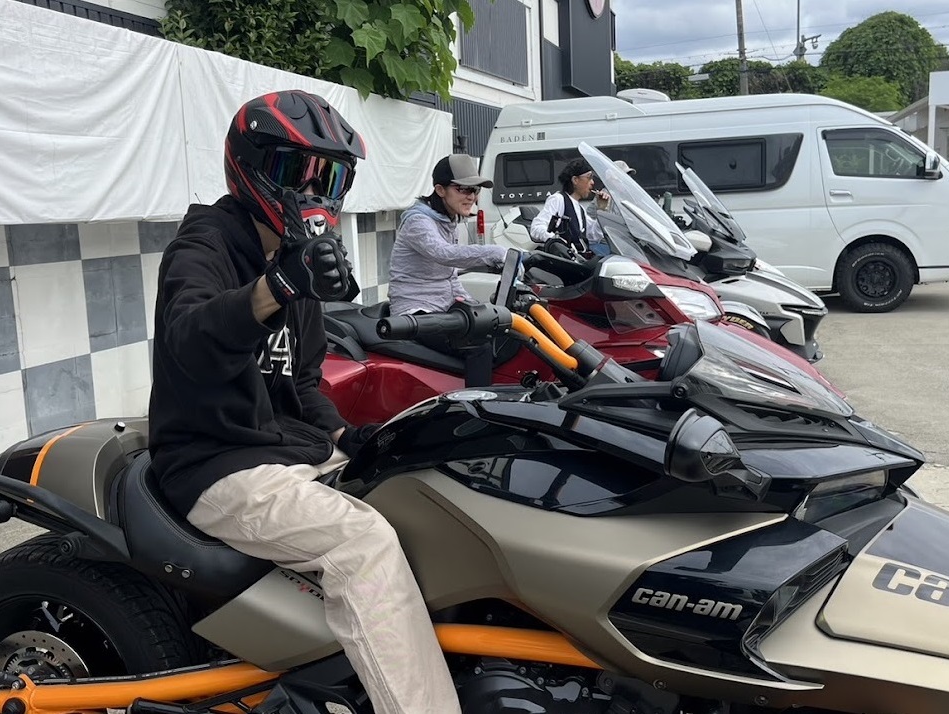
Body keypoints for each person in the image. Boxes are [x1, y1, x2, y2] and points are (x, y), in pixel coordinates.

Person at [148, 90, 461, 714]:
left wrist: (350, 436)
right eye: (297, 171)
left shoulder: (298, 259)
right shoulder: (205, 243)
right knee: (361, 542)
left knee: (428, 494)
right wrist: (276, 288)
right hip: (215, 461)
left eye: (331, 177)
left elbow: (305, 382)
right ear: (250, 167)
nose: (315, 191)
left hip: (286, 449)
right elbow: (189, 338)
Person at [388, 153, 510, 318]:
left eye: (475, 190)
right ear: (440, 190)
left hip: (442, 307)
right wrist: (495, 252)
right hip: (415, 309)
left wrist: (472, 303)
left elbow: (450, 277)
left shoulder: (447, 221)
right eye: (464, 189)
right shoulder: (418, 222)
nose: (472, 197)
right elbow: (444, 253)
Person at [529, 158, 612, 256]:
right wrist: (556, 240)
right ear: (575, 180)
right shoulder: (558, 199)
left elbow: (594, 236)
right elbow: (536, 227)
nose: (592, 182)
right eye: (589, 177)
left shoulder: (580, 209)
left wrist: (602, 210)